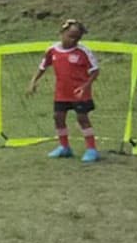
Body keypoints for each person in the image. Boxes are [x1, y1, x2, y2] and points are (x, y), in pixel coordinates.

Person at [27, 19, 101, 163]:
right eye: (71, 36)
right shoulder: (52, 50)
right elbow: (42, 67)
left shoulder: (83, 51)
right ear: (62, 33)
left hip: (79, 92)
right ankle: (64, 147)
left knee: (82, 119)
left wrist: (85, 86)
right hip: (61, 92)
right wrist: (33, 82)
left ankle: (92, 149)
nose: (74, 40)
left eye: (78, 38)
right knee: (58, 117)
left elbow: (95, 71)